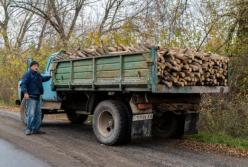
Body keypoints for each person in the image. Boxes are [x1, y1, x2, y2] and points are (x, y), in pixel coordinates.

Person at [21, 61, 51, 135]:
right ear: (31, 67)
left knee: (38, 114)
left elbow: (43, 79)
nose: (36, 67)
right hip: (31, 97)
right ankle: (28, 129)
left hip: (38, 97)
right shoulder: (27, 75)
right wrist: (25, 92)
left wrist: (50, 76)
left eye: (37, 66)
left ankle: (36, 129)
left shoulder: (38, 75)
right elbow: (23, 84)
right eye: (34, 65)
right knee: (31, 114)